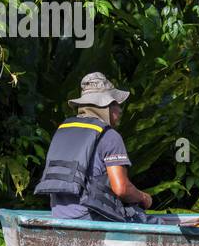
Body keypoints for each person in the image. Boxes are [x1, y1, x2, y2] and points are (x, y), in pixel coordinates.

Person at [33, 72, 153, 222]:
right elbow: (121, 189)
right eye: (115, 104)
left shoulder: (63, 130)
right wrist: (143, 197)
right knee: (153, 221)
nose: (120, 110)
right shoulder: (109, 136)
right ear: (105, 106)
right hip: (91, 216)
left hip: (59, 214)